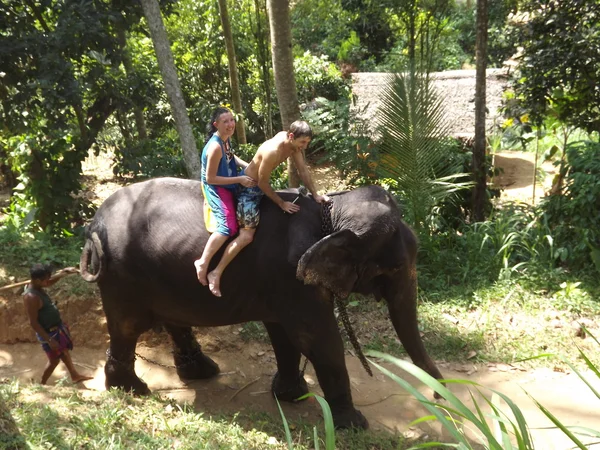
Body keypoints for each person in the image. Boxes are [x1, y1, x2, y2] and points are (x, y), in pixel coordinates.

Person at [205, 120, 329, 297]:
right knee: (247, 236)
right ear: (291, 136)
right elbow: (262, 183)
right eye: (303, 142)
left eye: (308, 142)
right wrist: (281, 203)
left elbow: (303, 171)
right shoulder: (273, 150)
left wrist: (316, 195)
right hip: (249, 189)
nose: (305, 146)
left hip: (261, 187)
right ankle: (216, 272)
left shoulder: (294, 146)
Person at [194, 106, 256, 285]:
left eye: (232, 120)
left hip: (230, 183)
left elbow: (231, 157)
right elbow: (210, 178)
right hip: (216, 188)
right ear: (216, 125)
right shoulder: (214, 147)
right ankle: (203, 262)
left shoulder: (226, 140)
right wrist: (240, 179)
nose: (230, 125)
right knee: (227, 226)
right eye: (225, 122)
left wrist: (250, 166)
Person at [23, 264, 93, 385]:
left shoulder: (38, 286)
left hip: (56, 329)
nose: (48, 282)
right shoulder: (31, 297)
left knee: (64, 352)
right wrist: (50, 340)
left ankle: (74, 375)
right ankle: (42, 384)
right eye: (45, 279)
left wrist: (63, 273)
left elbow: (49, 282)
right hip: (48, 333)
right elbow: (33, 323)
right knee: (54, 361)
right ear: (38, 280)